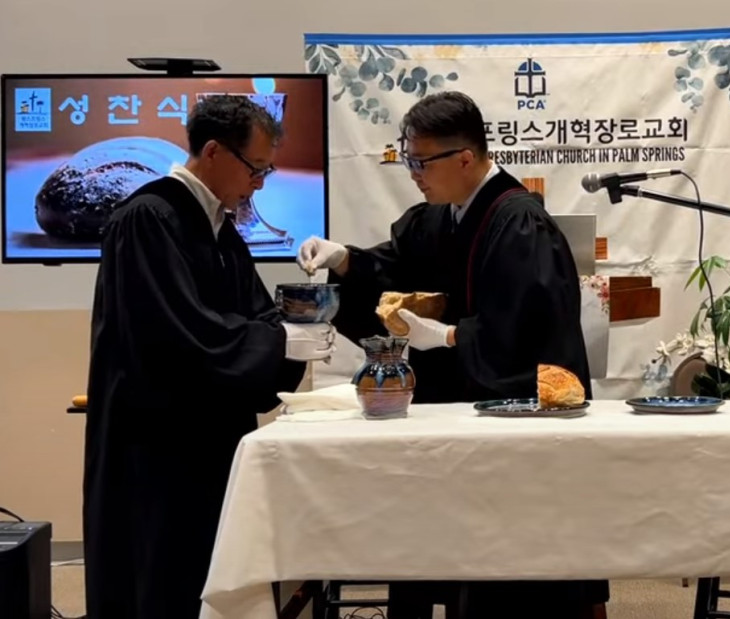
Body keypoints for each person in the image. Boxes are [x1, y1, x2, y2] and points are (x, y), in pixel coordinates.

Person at [297, 91, 607, 617]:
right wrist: (345, 260)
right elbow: (399, 267)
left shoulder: (518, 221)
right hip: (454, 414)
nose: (413, 174)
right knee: (437, 553)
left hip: (513, 428)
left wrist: (448, 338)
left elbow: (527, 327)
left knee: (508, 580)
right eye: (408, 160)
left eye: (422, 162)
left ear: (464, 158)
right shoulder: (445, 216)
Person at [83, 95, 336, 619]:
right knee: (162, 576)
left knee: (216, 567)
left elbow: (255, 313)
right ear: (215, 151)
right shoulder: (149, 217)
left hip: (212, 433)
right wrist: (280, 342)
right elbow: (175, 331)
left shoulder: (219, 224)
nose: (259, 184)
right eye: (255, 169)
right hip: (158, 441)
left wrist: (297, 325)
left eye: (267, 171)